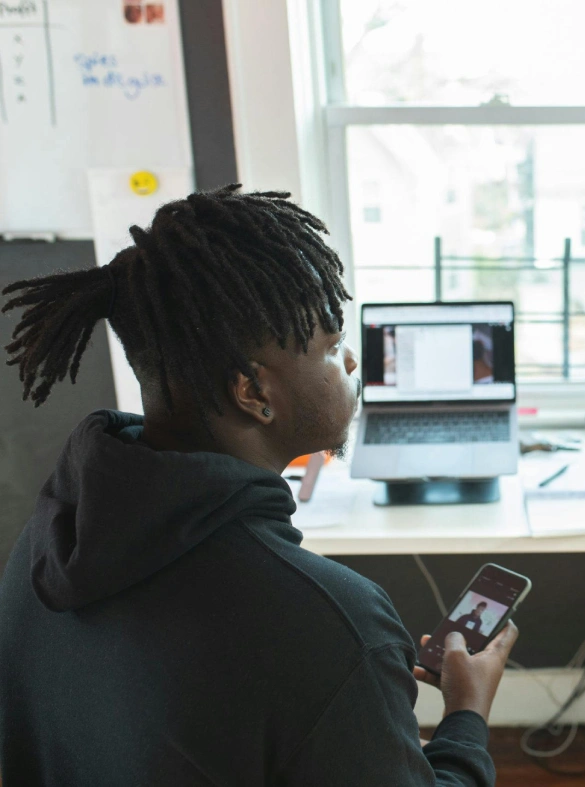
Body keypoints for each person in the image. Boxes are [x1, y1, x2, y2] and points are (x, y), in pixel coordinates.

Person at [0, 185, 517, 786]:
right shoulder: (335, 626)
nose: (352, 364)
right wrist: (467, 715)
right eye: (331, 346)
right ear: (253, 393)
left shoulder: (44, 543)